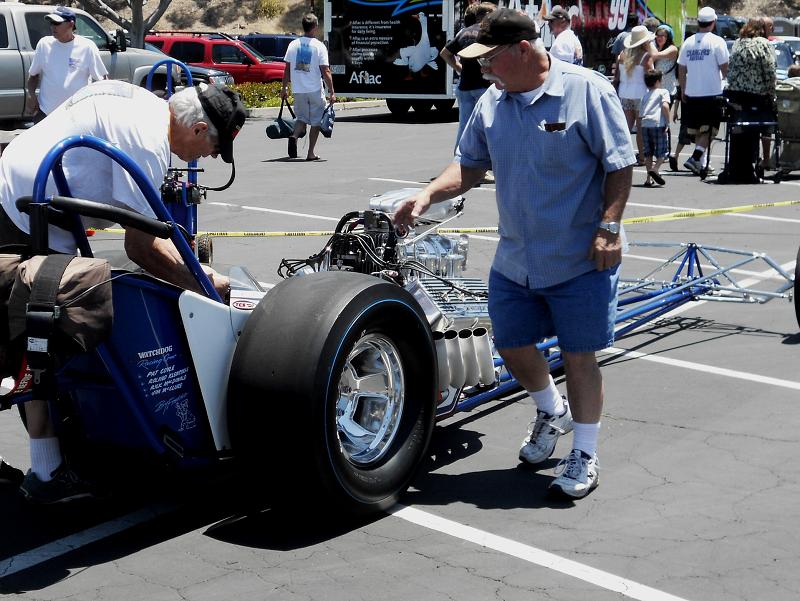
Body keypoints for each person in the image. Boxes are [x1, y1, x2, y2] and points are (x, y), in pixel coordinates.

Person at [394, 9, 635, 499]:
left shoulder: (587, 90)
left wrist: (609, 227)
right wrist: (426, 195)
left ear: (523, 50)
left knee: (580, 356)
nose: (482, 69)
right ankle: (552, 410)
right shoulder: (493, 101)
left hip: (581, 255)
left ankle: (584, 452)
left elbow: (620, 163)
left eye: (490, 58)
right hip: (517, 256)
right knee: (509, 342)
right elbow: (468, 165)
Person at [0, 79, 245, 503]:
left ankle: (50, 465)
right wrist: (205, 288)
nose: (208, 157)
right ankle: (48, 474)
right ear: (200, 129)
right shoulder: (148, 143)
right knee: (38, 343)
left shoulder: (143, 106)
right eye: (214, 148)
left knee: (22, 339)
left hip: (17, 188)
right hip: (25, 214)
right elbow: (143, 247)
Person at [26, 6, 108, 122]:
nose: (53, 27)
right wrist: (31, 94)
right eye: (51, 23)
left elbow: (102, 80)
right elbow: (33, 75)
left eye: (57, 23)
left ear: (70, 24)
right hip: (46, 114)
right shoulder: (44, 44)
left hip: (76, 116)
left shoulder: (87, 47)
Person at [677, 6, 729, 175]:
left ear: (699, 22)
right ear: (713, 23)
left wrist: (683, 89)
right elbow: (725, 68)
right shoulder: (717, 41)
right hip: (712, 93)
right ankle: (696, 157)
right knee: (710, 130)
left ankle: (699, 161)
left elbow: (681, 69)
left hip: (693, 92)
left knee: (700, 130)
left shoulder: (688, 42)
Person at [440, 2, 497, 153]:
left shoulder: (463, 32)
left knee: (465, 126)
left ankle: (459, 161)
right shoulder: (487, 32)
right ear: (485, 16)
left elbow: (445, 53)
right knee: (487, 126)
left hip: (464, 86)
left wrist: (459, 68)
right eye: (493, 14)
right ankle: (483, 164)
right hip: (484, 86)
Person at [281, 13, 336, 161]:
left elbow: (286, 69)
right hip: (314, 89)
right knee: (316, 121)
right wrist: (331, 91)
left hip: (298, 89)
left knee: (301, 118)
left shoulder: (293, 45)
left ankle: (294, 136)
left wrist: (284, 88)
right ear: (315, 27)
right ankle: (311, 153)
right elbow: (326, 71)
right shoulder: (319, 46)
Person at [614, 26, 655, 164]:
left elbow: (617, 77)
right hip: (641, 94)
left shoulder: (622, 55)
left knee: (626, 126)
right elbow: (651, 78)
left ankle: (622, 154)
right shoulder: (645, 56)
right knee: (640, 128)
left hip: (624, 93)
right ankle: (642, 157)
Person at [638, 69, 671, 187]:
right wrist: (668, 122)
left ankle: (648, 179)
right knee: (662, 151)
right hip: (658, 123)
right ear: (658, 81)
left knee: (648, 152)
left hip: (645, 124)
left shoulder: (645, 96)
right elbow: (665, 106)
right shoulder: (663, 92)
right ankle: (655, 168)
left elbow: (640, 114)